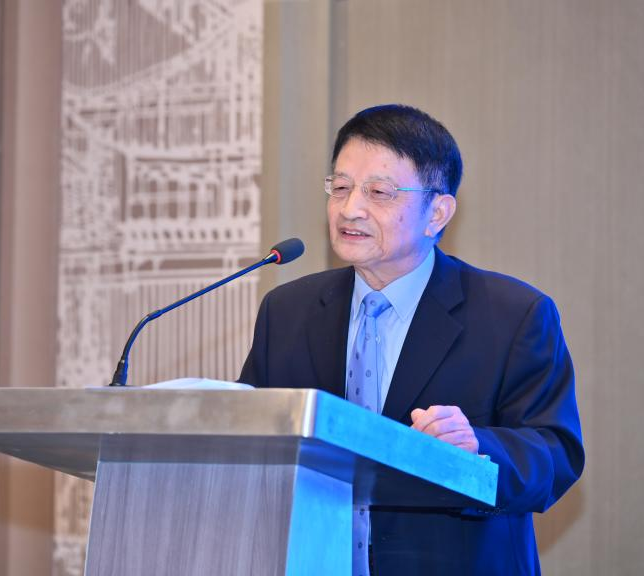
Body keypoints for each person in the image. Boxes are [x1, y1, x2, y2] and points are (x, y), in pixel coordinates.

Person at [239, 104, 584, 575]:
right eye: (340, 187)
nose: (349, 208)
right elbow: (253, 439)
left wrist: (477, 448)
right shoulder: (287, 311)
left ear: (436, 213)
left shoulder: (514, 314)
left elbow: (555, 454)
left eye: (378, 192)